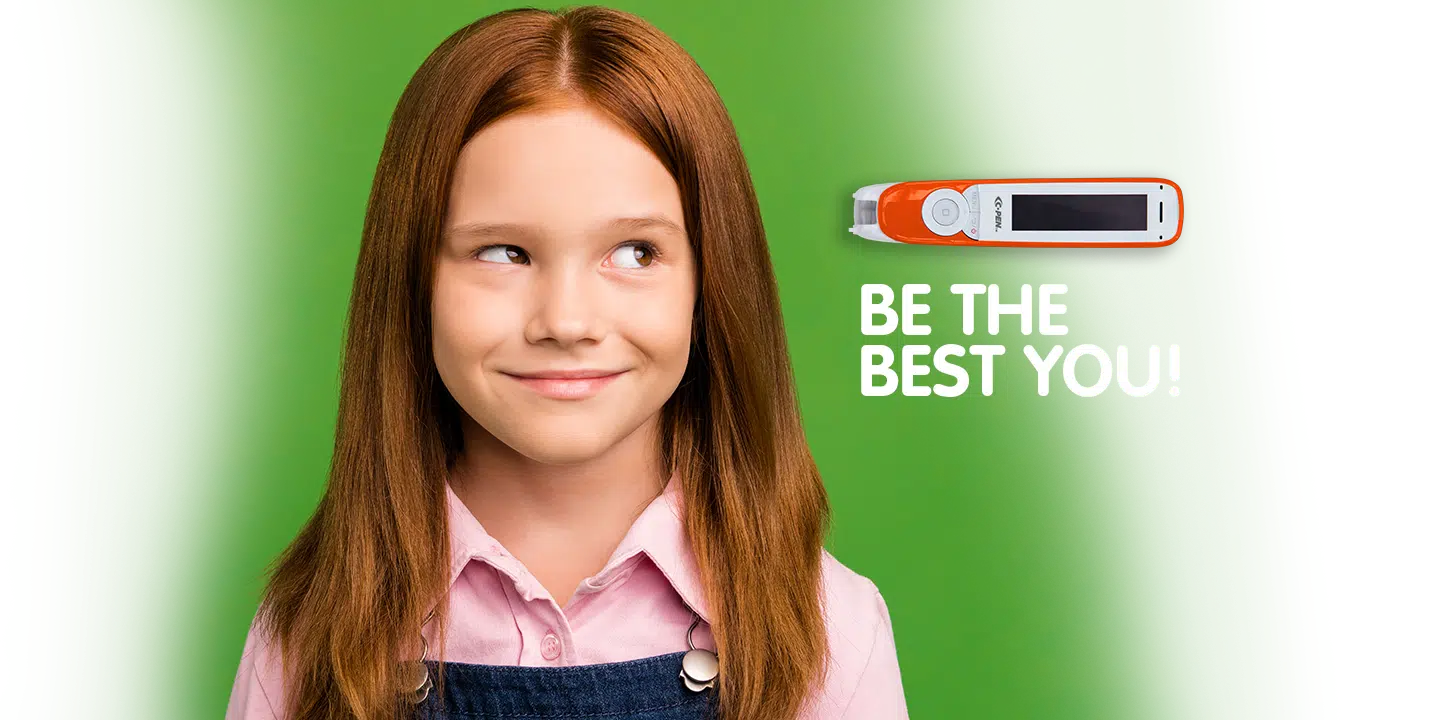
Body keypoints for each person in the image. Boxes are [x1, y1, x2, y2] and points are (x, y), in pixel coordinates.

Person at [224, 6, 907, 720]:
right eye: (502, 252)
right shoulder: (307, 633)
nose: (566, 322)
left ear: (712, 283)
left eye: (636, 252)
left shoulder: (831, 628)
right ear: (412, 282)